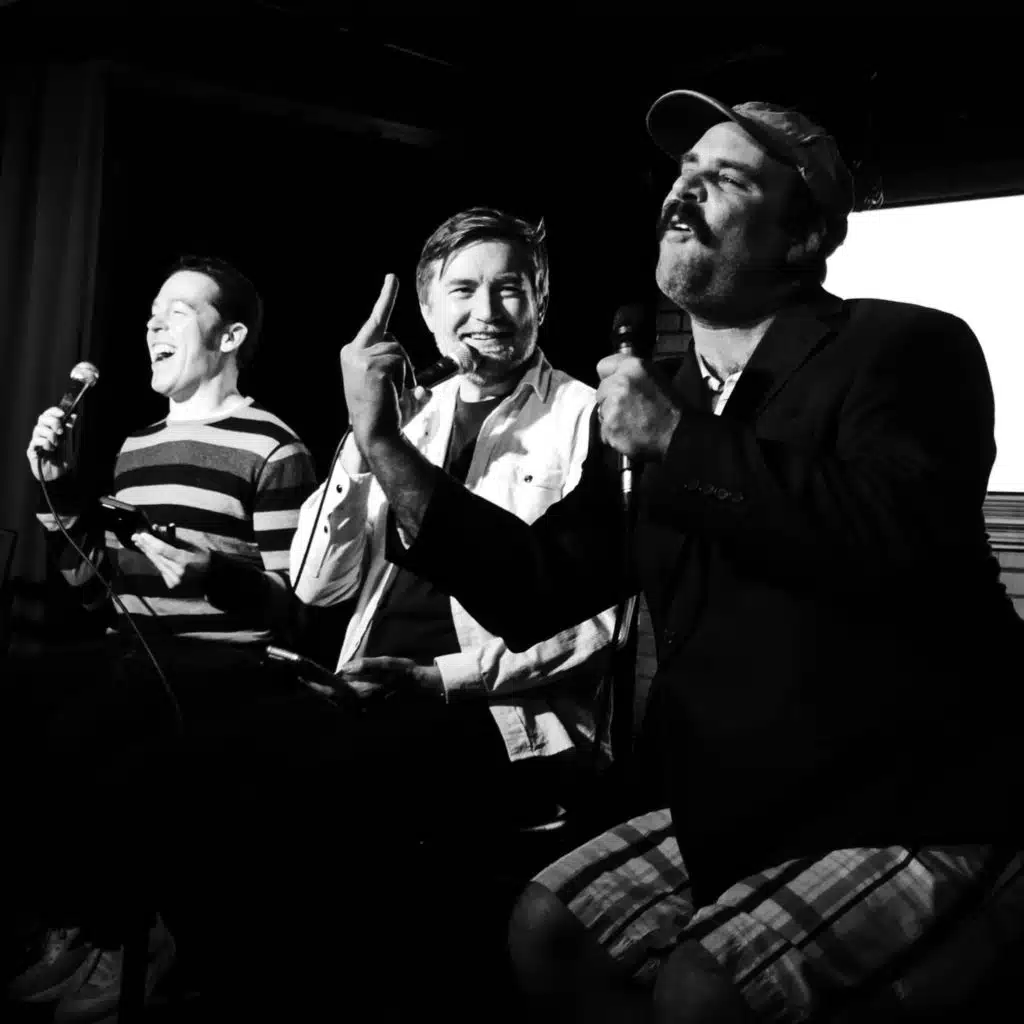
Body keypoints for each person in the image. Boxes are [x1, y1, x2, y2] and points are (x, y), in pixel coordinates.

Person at [336, 92, 1024, 1021]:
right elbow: (537, 584)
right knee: (547, 928)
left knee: (703, 989)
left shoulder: (904, 346)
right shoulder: (666, 397)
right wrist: (384, 445)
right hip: (747, 803)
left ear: (801, 238)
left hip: (917, 797)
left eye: (727, 177)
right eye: (683, 172)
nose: (684, 191)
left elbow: (894, 537)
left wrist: (677, 443)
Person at [6, 254, 317, 1020]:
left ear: (230, 336)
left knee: (97, 729)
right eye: (151, 315)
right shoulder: (135, 448)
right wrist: (58, 488)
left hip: (224, 674)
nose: (153, 326)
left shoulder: (275, 449)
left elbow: (302, 608)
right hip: (135, 658)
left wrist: (218, 576)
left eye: (177, 312)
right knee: (23, 687)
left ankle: (132, 942)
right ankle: (85, 930)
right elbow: (95, 588)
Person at [289, 205, 620, 832]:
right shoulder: (394, 415)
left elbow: (599, 620)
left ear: (542, 302)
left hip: (508, 720)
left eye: (509, 288)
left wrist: (437, 678)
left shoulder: (588, 417)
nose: (487, 312)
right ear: (428, 311)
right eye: (463, 290)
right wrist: (364, 443)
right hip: (366, 693)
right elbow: (315, 586)